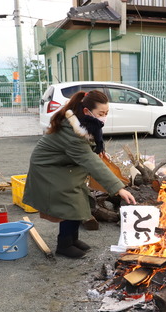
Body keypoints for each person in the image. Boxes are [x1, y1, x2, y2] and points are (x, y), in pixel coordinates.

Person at [23, 90, 137, 259]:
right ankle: (64, 244)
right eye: (101, 113)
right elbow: (90, 161)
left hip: (64, 165)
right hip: (49, 168)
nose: (104, 117)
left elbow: (90, 150)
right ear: (87, 111)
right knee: (71, 203)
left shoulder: (84, 121)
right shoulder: (72, 132)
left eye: (106, 113)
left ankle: (73, 239)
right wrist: (118, 188)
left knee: (81, 199)